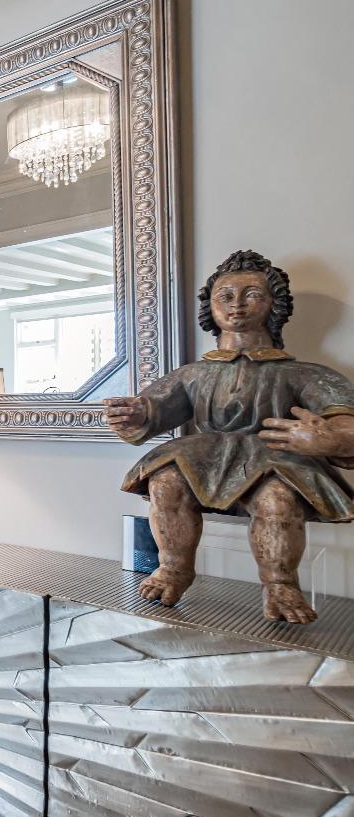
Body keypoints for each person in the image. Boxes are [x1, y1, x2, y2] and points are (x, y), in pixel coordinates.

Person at [104, 250, 354, 624]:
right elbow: (154, 410)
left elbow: (345, 422)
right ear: (211, 306)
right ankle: (173, 567)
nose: (236, 304)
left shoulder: (303, 373)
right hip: (205, 455)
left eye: (251, 294)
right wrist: (136, 413)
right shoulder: (193, 374)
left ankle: (280, 583)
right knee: (167, 479)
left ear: (274, 304)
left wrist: (328, 438)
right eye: (225, 296)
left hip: (275, 458)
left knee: (277, 500)